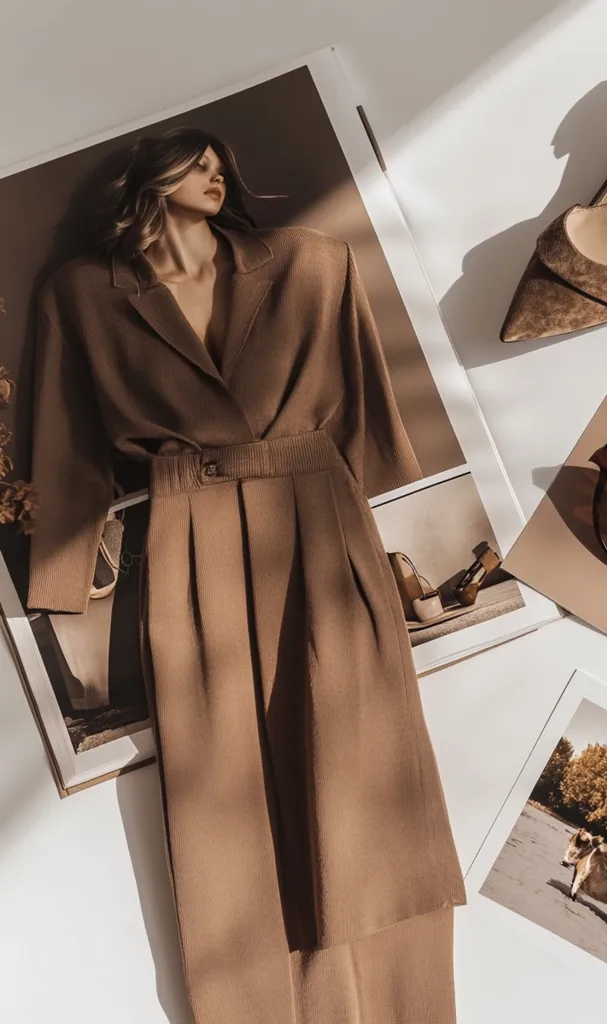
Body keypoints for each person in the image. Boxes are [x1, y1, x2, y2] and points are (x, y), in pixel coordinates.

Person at [27, 126, 466, 1024]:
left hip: (319, 522)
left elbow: (373, 418)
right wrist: (58, 593)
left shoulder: (313, 262)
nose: (218, 174)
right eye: (195, 162)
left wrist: (409, 538)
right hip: (190, 544)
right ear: (144, 180)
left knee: (364, 786)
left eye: (223, 159)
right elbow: (66, 440)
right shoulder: (81, 294)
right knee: (224, 808)